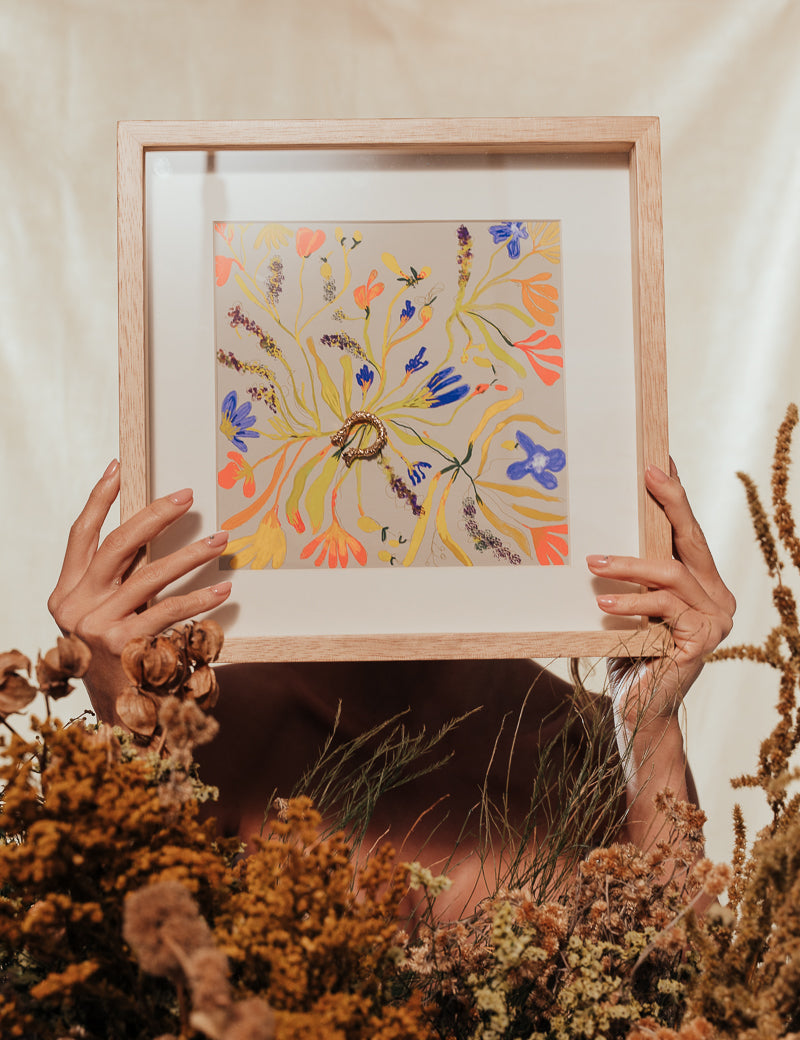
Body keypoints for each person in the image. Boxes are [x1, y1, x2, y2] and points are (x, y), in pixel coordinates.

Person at [48, 457, 735, 913]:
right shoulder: (222, 728)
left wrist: (650, 729)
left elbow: (685, 993)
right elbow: (124, 975)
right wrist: (122, 709)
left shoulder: (592, 744)